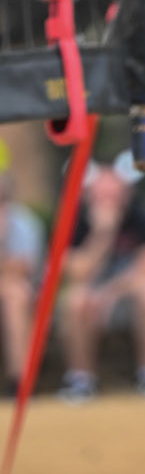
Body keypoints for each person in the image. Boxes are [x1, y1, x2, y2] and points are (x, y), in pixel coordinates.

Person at [59, 152, 145, 402]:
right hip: (92, 299)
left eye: (115, 193)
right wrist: (103, 234)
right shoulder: (74, 219)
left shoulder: (139, 216)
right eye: (103, 194)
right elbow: (76, 273)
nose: (110, 200)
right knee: (75, 299)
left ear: (127, 193)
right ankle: (81, 379)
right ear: (88, 194)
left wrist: (109, 293)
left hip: (123, 295)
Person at [0, 145, 44, 397]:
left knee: (15, 295)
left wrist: (3, 238)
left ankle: (21, 382)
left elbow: (23, 269)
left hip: (17, 289)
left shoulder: (25, 222)